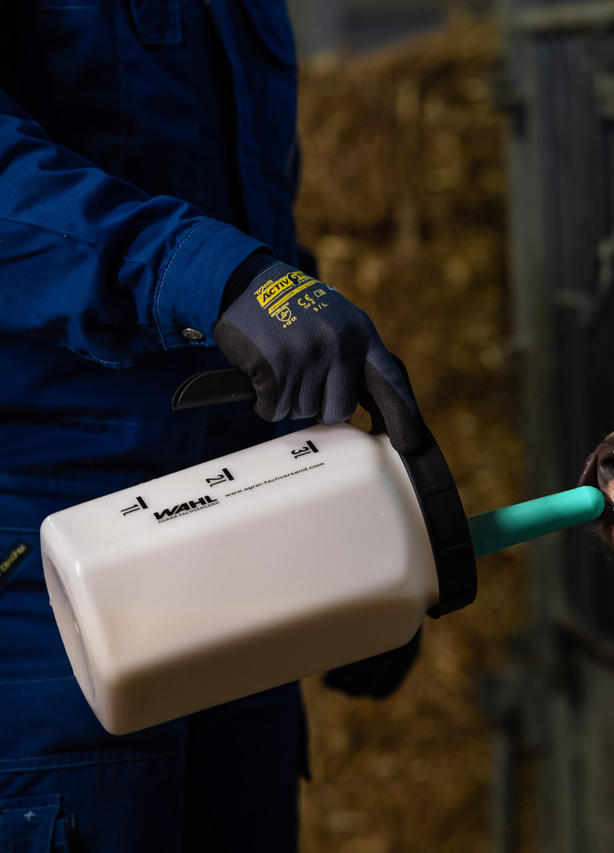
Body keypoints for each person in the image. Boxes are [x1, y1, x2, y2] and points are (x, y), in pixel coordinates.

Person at [0, 2, 423, 848]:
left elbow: (251, 237)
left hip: (226, 539)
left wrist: (336, 513)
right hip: (42, 561)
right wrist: (207, 274)